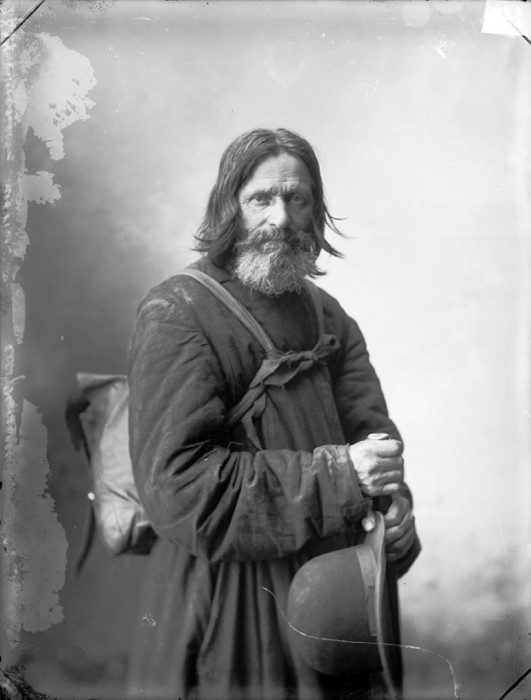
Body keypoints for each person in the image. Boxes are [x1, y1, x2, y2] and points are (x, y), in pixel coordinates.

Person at [126, 128, 420, 700]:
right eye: (261, 199)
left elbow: (374, 442)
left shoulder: (330, 318)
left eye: (297, 198)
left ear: (316, 209)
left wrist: (395, 511)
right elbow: (179, 490)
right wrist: (342, 475)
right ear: (228, 207)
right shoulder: (177, 312)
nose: (281, 218)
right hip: (229, 605)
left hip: (333, 597)